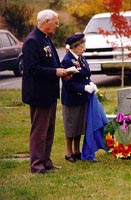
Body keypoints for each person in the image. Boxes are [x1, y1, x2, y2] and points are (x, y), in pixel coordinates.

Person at [22, 9, 69, 174]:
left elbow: (53, 63)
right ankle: (36, 165)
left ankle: (46, 161)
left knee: (49, 129)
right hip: (38, 94)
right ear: (46, 22)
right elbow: (32, 69)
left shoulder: (46, 39)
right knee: (39, 131)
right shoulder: (32, 42)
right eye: (55, 22)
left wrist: (65, 71)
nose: (57, 25)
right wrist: (55, 72)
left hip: (49, 93)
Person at [61, 33, 99, 162]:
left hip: (82, 97)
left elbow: (85, 75)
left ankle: (77, 151)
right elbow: (68, 83)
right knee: (71, 125)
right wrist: (83, 88)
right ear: (74, 47)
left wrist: (90, 84)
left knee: (79, 125)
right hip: (72, 98)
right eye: (82, 47)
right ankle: (69, 152)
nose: (84, 49)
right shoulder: (67, 60)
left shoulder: (81, 58)